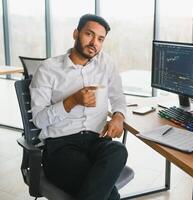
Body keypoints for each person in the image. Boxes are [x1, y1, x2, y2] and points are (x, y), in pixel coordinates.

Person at [30, 14, 127, 200]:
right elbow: (39, 120)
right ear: (76, 33)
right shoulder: (48, 69)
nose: (94, 43)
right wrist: (71, 101)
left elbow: (118, 97)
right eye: (89, 34)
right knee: (110, 195)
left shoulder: (106, 64)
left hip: (96, 140)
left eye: (100, 39)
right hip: (61, 146)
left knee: (118, 151)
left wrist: (118, 116)